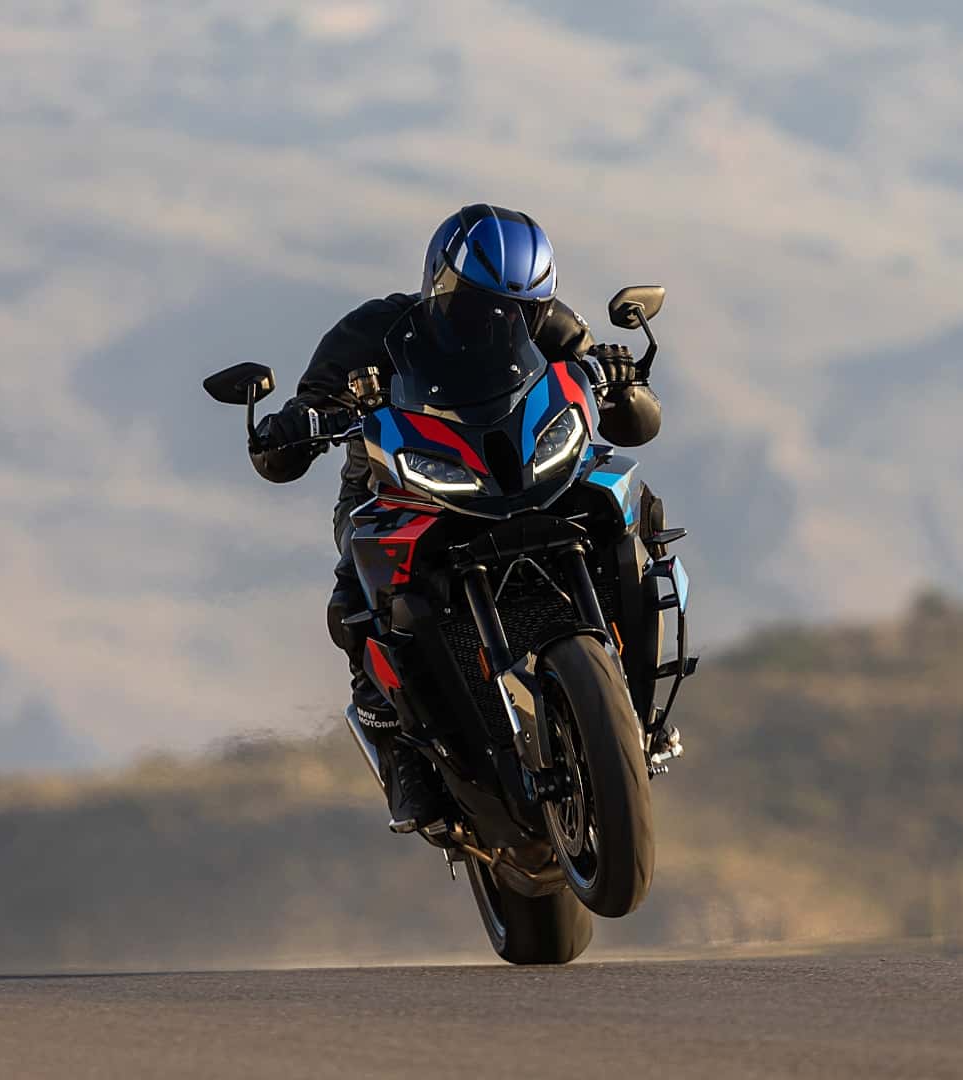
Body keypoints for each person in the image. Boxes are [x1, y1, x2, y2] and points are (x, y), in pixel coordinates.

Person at [245, 204, 662, 834]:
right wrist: (294, 425)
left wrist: (621, 380)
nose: (503, 320)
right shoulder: (371, 333)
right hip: (404, 482)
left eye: (521, 310)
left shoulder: (553, 324)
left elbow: (631, 413)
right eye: (482, 305)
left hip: (527, 466)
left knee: (627, 501)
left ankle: (639, 690)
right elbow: (293, 432)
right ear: (442, 284)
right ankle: (402, 755)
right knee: (356, 594)